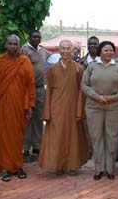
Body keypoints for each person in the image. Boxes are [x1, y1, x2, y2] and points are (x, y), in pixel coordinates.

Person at [0, 34, 35, 182]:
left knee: (17, 138)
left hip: (19, 106)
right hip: (3, 106)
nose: (13, 46)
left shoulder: (25, 62)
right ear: (6, 45)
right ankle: (4, 168)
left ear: (19, 45)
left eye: (15, 44)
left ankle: (18, 166)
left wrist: (30, 104)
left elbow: (30, 85)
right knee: (3, 136)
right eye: (10, 44)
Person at [82, 41, 118, 180]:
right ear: (100, 52)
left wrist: (115, 97)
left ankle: (110, 169)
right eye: (106, 50)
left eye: (111, 50)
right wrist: (97, 97)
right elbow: (84, 85)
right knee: (96, 137)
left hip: (114, 107)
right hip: (94, 107)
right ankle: (98, 169)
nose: (109, 53)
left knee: (112, 137)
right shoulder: (91, 67)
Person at [39, 39, 89, 175]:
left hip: (73, 107)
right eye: (64, 48)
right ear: (59, 50)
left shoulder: (79, 69)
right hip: (56, 108)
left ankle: (72, 165)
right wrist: (47, 111)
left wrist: (80, 110)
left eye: (69, 48)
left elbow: (81, 91)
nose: (66, 51)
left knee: (73, 137)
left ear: (72, 50)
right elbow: (48, 91)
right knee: (57, 136)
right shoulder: (51, 70)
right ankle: (58, 164)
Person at [21, 30, 51, 156]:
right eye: (34, 37)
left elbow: (55, 57)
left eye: (38, 37)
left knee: (39, 117)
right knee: (27, 117)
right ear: (29, 37)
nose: (36, 39)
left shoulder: (43, 51)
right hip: (26, 88)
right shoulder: (24, 50)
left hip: (39, 89)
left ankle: (37, 145)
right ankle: (25, 146)